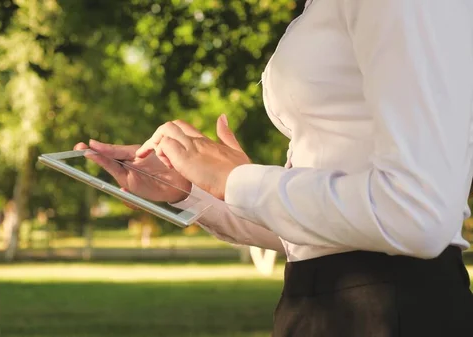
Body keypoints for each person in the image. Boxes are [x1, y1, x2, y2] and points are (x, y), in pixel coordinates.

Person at [75, 0, 473, 335]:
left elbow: (417, 214)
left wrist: (236, 180)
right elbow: (319, 235)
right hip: (323, 303)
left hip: (389, 311)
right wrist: (195, 192)